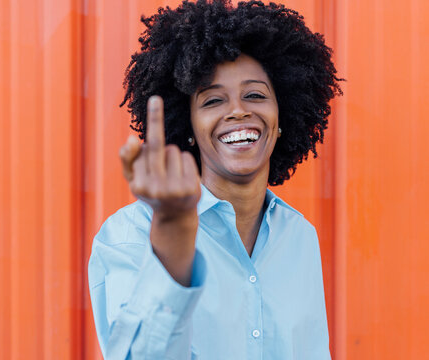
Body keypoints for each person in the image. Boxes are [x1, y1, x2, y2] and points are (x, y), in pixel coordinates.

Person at [88, 0, 342, 359]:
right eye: (212, 101)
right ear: (188, 127)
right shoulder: (130, 234)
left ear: (282, 115)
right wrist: (174, 241)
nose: (238, 110)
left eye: (255, 95)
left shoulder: (299, 236)